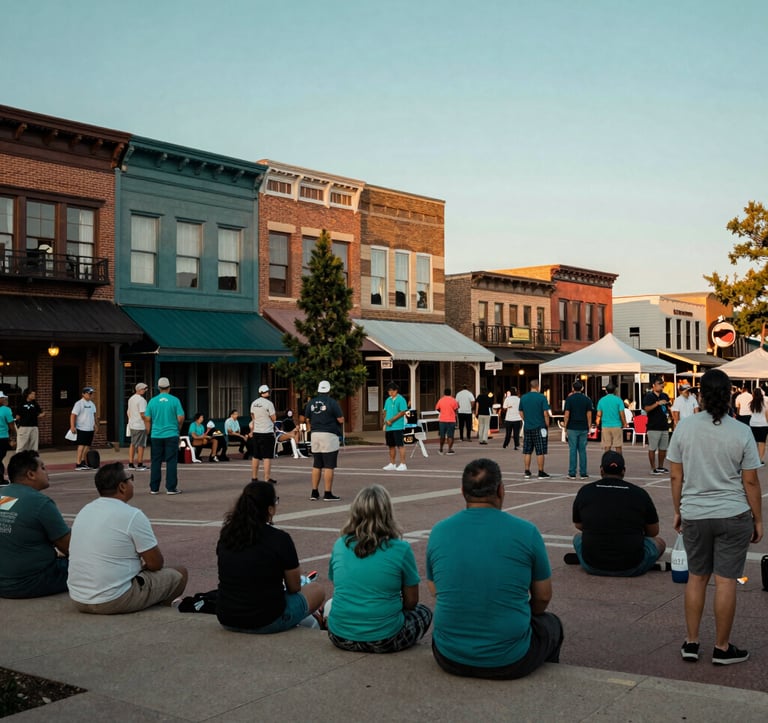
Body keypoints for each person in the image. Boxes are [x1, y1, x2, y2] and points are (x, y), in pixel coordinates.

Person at [426, 458, 563, 679]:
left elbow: (435, 590)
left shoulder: (439, 532)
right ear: (501, 490)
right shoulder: (526, 532)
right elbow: (543, 597)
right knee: (551, 625)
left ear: (463, 492)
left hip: (448, 655)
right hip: (509, 659)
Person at [667, 369, 762, 665]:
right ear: (730, 394)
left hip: (695, 512)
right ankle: (722, 647)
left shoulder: (685, 427)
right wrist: (758, 519)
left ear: (701, 394)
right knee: (726, 581)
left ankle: (692, 642)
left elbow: (675, 475)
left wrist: (679, 510)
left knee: (696, 578)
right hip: (733, 513)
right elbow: (750, 481)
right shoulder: (741, 431)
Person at [67, 462, 188, 614]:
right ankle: (161, 609)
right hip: (113, 600)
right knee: (179, 573)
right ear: (122, 486)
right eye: (130, 478)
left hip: (78, 598)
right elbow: (156, 563)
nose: (132, 482)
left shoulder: (85, 510)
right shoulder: (132, 515)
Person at [327, 484, 432, 652]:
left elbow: (336, 582)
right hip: (384, 638)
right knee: (424, 612)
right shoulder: (401, 548)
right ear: (388, 513)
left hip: (339, 635)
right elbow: (412, 601)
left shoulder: (340, 544)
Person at [216, 481, 325, 633]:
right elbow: (294, 587)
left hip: (227, 617)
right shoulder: (280, 539)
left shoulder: (227, 534)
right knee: (317, 590)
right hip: (266, 620)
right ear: (270, 509)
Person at [569, 451, 665, 576]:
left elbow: (579, 525)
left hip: (592, 564)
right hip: (632, 565)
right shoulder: (639, 493)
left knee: (578, 537)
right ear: (623, 471)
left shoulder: (585, 491)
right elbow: (653, 532)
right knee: (659, 543)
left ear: (601, 470)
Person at [0, 451, 70, 598]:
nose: (47, 472)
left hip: (3, 579)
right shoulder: (40, 502)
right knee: (94, 564)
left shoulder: (3, 495)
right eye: (43, 468)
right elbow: (69, 547)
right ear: (31, 474)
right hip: (28, 581)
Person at [144, 377, 185, 495]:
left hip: (156, 434)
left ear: (158, 388)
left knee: (155, 461)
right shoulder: (175, 400)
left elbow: (147, 418)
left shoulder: (152, 401)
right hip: (171, 433)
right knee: (171, 461)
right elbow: (181, 417)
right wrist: (178, 428)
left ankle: (154, 488)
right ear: (169, 388)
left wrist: (148, 431)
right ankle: (171, 488)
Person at [305, 381, 344, 500]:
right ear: (329, 390)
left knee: (317, 464)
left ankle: (314, 492)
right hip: (329, 434)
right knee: (329, 465)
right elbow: (340, 419)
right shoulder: (332, 402)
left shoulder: (311, 402)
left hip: (315, 434)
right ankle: (327, 493)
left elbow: (307, 418)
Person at [518, 380, 552, 479]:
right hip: (540, 426)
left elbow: (520, 412)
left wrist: (526, 419)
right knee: (540, 450)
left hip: (528, 427)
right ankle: (541, 471)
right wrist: (547, 423)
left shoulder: (524, 397)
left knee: (527, 450)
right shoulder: (542, 397)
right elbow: (545, 412)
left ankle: (527, 471)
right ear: (537, 386)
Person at [563, 380, 593, 480]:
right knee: (582, 450)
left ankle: (572, 472)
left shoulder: (569, 399)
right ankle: (583, 473)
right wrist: (589, 426)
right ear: (582, 388)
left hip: (572, 426)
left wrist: (565, 426)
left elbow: (567, 414)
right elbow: (589, 414)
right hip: (583, 426)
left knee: (572, 450)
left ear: (573, 388)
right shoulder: (587, 399)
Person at [642, 377, 671, 475]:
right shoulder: (649, 397)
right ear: (653, 386)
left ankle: (661, 466)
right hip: (653, 426)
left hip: (664, 425)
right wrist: (657, 403)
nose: (661, 385)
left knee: (663, 448)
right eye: (659, 383)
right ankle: (653, 467)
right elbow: (646, 408)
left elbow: (668, 407)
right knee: (653, 448)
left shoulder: (665, 395)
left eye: (662, 384)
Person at [250, 384, 277, 484]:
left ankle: (254, 477)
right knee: (267, 456)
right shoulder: (269, 404)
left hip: (257, 432)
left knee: (256, 456)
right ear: (267, 392)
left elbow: (253, 416)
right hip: (267, 432)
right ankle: (266, 478)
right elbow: (274, 418)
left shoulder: (254, 403)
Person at [70, 386, 97, 471]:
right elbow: (73, 415)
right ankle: (78, 463)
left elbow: (93, 415)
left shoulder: (92, 404)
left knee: (87, 446)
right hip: (81, 427)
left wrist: (95, 424)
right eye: (89, 393)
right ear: (83, 394)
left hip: (90, 428)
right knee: (81, 445)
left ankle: (83, 461)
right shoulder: (79, 404)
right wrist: (72, 426)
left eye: (91, 393)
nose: (90, 395)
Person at [382, 383, 408, 471]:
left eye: (392, 391)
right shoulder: (388, 400)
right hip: (389, 426)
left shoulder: (401, 399)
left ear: (396, 391)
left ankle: (403, 464)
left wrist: (391, 420)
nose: (390, 392)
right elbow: (384, 411)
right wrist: (385, 421)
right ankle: (392, 463)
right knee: (391, 445)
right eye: (389, 391)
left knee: (400, 445)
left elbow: (402, 412)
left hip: (397, 426)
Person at [595, 383, 626, 454]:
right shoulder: (619, 400)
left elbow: (599, 414)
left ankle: (606, 462)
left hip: (605, 426)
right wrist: (624, 422)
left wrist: (597, 423)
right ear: (615, 391)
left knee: (607, 446)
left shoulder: (601, 400)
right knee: (618, 446)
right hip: (617, 425)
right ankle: (619, 462)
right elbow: (622, 413)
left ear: (606, 391)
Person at [126, 382, 148, 471]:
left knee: (133, 444)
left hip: (132, 424)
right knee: (141, 445)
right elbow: (142, 414)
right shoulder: (142, 400)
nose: (145, 391)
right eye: (144, 389)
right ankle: (140, 463)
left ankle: (131, 463)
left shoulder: (131, 399)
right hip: (140, 425)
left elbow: (128, 412)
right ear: (139, 390)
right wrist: (147, 422)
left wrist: (131, 420)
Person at [15, 389, 45, 453]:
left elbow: (40, 412)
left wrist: (42, 414)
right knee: (22, 445)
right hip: (24, 426)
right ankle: (18, 460)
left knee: (33, 446)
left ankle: (32, 460)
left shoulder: (35, 404)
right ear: (27, 395)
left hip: (34, 426)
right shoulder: (21, 403)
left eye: (34, 394)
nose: (34, 395)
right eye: (32, 394)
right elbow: (17, 415)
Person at [435, 388, 459, 455]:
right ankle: (449, 449)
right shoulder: (453, 400)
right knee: (450, 436)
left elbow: (437, 408)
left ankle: (441, 449)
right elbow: (456, 409)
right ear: (450, 393)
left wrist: (442, 412)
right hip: (451, 420)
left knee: (442, 435)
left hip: (442, 420)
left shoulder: (441, 400)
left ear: (444, 393)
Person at [748, 387, 768, 463]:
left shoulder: (751, 403)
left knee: (754, 442)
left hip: (753, 424)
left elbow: (751, 413)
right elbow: (767, 414)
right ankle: (760, 459)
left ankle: (754, 458)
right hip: (763, 424)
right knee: (762, 443)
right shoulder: (764, 403)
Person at [0, 393, 16, 483]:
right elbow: (11, 425)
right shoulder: (6, 410)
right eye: (2, 398)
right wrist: (13, 437)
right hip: (2, 437)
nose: (4, 400)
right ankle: (0, 479)